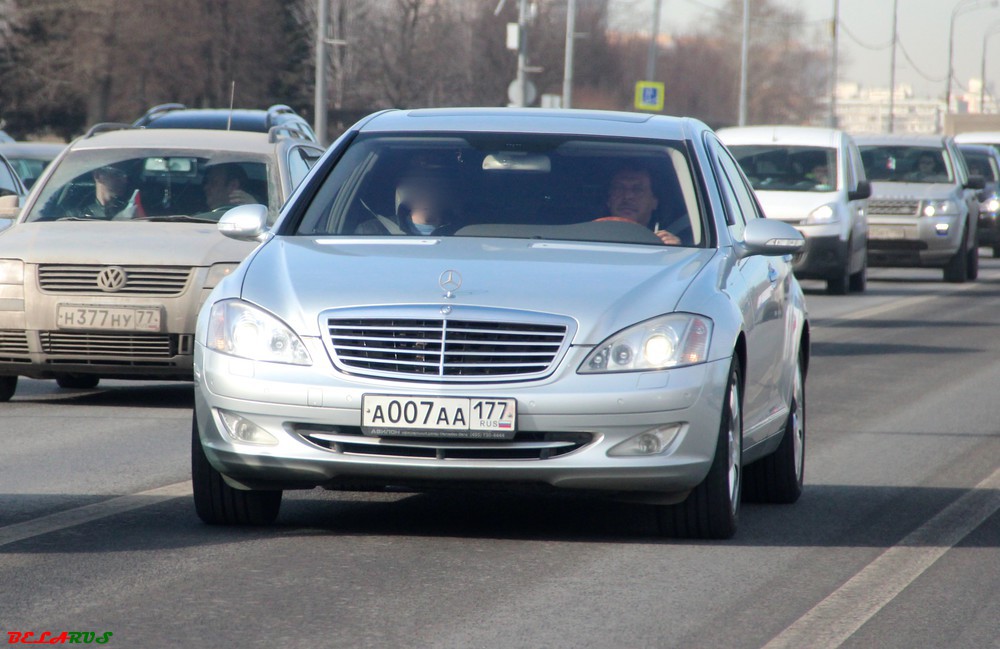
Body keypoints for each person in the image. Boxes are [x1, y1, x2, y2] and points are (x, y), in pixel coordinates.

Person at [355, 174, 457, 235]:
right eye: (418, 187)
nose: (426, 193)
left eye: (433, 187)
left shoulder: (467, 233)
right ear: (403, 193)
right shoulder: (371, 232)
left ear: (446, 195)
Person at [600, 167, 680, 245]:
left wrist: (674, 251)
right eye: (619, 188)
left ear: (654, 202)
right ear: (609, 200)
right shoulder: (589, 239)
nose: (627, 196)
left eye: (638, 189)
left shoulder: (663, 244)